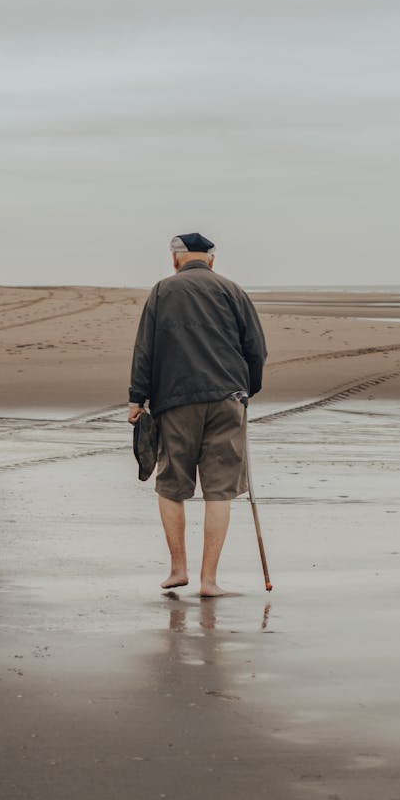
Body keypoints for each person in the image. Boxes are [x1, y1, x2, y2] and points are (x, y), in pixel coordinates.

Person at [128, 232, 267, 596]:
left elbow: (145, 349)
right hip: (227, 398)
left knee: (172, 485)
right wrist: (248, 389)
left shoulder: (162, 291)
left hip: (176, 401)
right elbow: (256, 348)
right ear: (211, 259)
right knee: (219, 490)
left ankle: (178, 569)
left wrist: (136, 398)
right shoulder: (232, 290)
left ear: (175, 258)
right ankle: (209, 581)